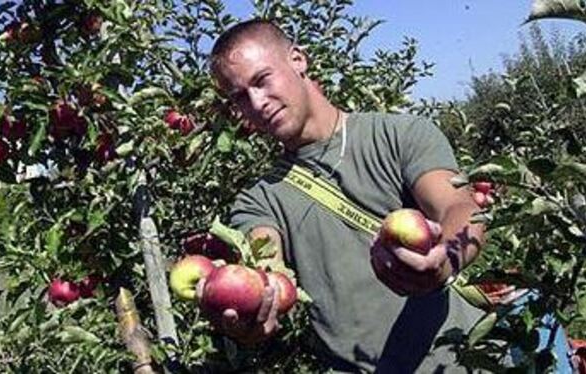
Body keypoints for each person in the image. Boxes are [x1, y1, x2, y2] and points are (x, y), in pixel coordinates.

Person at [203, 19, 487, 373]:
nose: (257, 102)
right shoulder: (259, 199)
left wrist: (445, 259)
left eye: (262, 80)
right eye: (240, 97)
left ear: (298, 59)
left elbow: (460, 208)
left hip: (467, 362)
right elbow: (264, 263)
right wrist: (258, 306)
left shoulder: (399, 135)